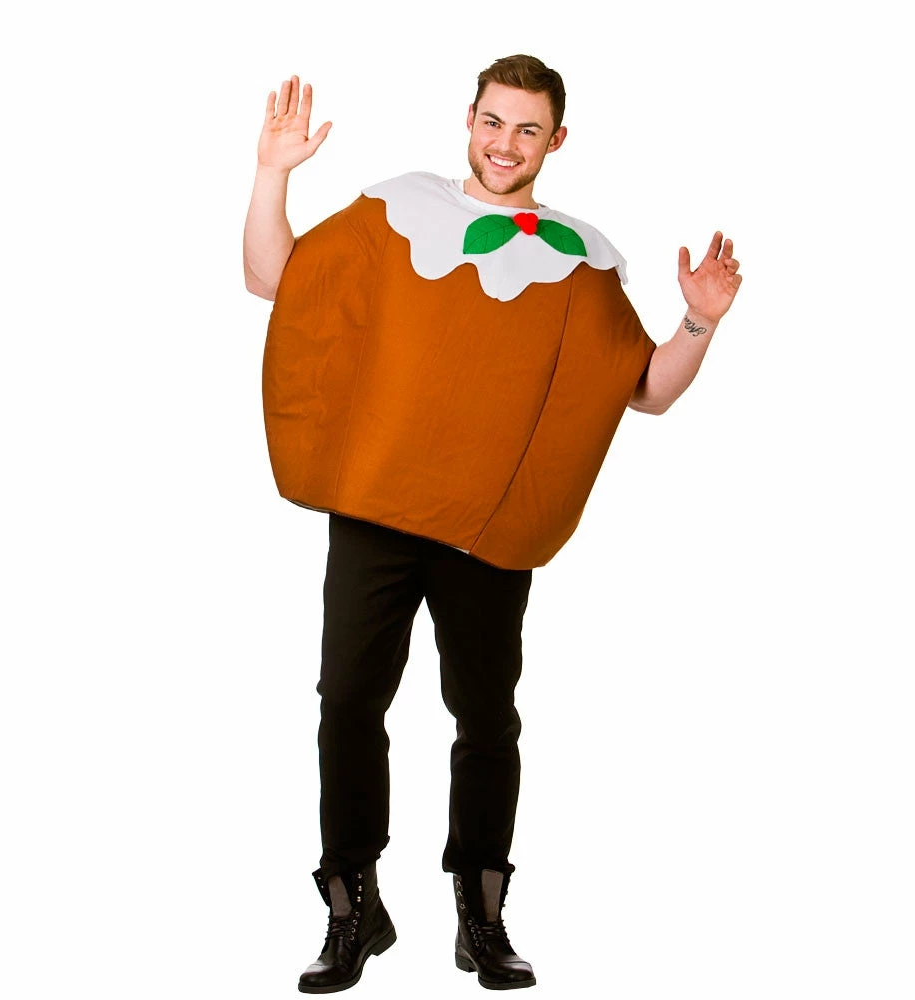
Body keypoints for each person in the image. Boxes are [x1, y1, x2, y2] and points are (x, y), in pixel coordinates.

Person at [243, 54, 742, 994]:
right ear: (468, 120)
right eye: (493, 121)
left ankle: (481, 915)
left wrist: (699, 322)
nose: (505, 143)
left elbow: (643, 390)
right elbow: (275, 278)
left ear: (557, 140)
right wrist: (273, 173)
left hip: (490, 526)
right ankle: (352, 908)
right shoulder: (396, 210)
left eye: (527, 129)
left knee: (485, 718)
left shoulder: (580, 258)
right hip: (378, 509)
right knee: (347, 702)